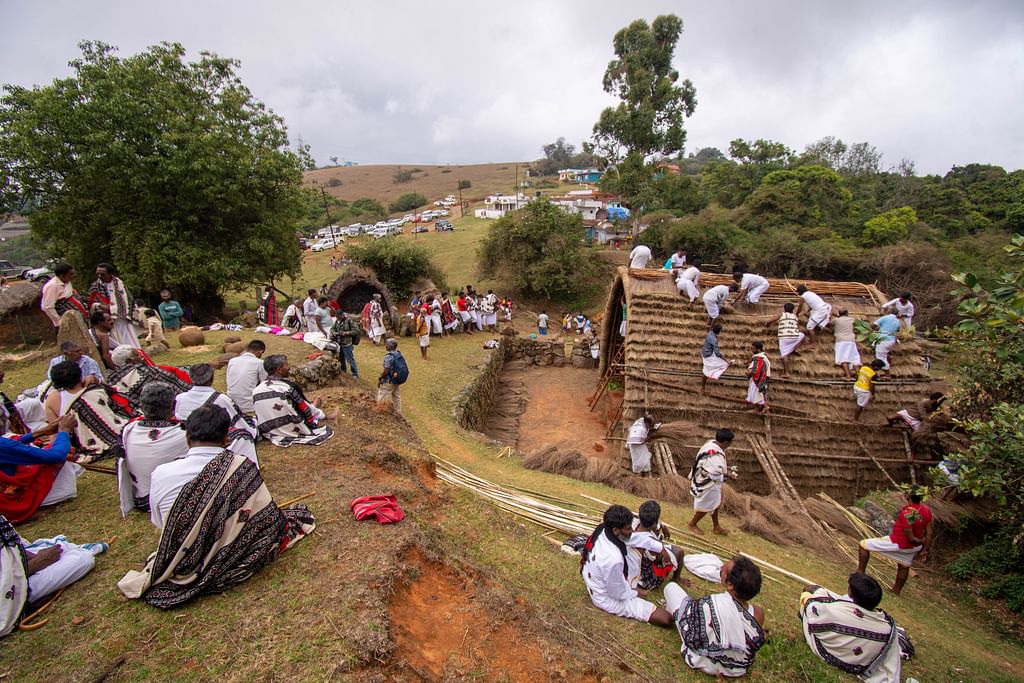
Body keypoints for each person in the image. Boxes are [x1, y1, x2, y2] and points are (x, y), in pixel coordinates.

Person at [119, 405, 315, 608]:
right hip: (230, 554)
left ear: (188, 437)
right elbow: (267, 518)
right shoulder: (241, 467)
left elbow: (160, 523)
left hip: (180, 557)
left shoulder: (161, 473)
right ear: (226, 438)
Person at [0, 515, 105, 636]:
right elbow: (5, 582)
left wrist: (26, 555)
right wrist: (37, 562)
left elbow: (11, 547)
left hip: (18, 570)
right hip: (11, 594)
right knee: (84, 559)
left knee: (60, 548)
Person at [800, 572, 915, 682]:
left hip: (833, 654)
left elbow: (812, 609)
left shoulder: (835, 612)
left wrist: (815, 592)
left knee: (807, 598)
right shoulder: (888, 628)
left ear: (850, 594)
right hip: (862, 665)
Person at [664, 557, 766, 677]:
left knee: (671, 588)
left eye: (724, 569)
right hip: (736, 670)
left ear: (730, 584)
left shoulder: (711, 604)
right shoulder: (758, 614)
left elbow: (691, 630)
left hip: (703, 662)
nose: (721, 568)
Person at [580, 504, 674, 626]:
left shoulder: (604, 529)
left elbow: (635, 538)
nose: (632, 531)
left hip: (595, 580)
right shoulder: (613, 559)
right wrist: (635, 593)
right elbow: (617, 593)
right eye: (629, 528)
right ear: (616, 530)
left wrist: (661, 548)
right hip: (605, 598)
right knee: (666, 619)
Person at [119, 382, 190, 517]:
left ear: (141, 406)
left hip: (142, 500)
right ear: (174, 406)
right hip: (170, 498)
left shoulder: (128, 430)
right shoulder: (184, 434)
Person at [44, 360, 133, 462]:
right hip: (121, 432)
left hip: (87, 446)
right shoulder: (96, 388)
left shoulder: (52, 400)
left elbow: (54, 431)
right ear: (80, 375)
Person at [0, 412, 80, 523]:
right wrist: (64, 431)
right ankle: (22, 510)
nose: (4, 420)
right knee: (63, 452)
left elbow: (12, 444)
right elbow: (55, 456)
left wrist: (43, 431)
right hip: (7, 506)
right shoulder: (3, 445)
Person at [174, 363, 257, 463]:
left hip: (187, 439)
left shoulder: (180, 398)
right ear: (212, 378)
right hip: (213, 438)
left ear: (191, 378)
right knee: (245, 433)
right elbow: (238, 422)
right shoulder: (222, 399)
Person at [858, 488, 933, 595]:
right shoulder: (926, 510)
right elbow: (929, 533)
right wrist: (924, 549)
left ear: (908, 497)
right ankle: (896, 591)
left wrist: (920, 541)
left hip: (899, 542)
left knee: (863, 545)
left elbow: (911, 538)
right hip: (914, 547)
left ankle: (860, 573)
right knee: (904, 566)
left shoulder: (909, 514)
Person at [253, 355, 335, 448]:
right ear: (279, 370)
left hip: (267, 430)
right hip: (289, 428)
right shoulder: (288, 387)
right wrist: (322, 415)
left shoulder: (256, 390)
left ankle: (314, 407)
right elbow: (304, 408)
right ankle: (320, 412)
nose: (289, 367)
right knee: (305, 407)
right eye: (286, 365)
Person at [106, 346, 192, 413]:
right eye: (137, 355)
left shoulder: (113, 381)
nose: (141, 356)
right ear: (129, 361)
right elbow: (176, 385)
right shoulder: (146, 371)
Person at [687, 429, 736, 535]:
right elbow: (714, 472)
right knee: (707, 505)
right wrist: (728, 474)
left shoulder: (710, 445)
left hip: (707, 478)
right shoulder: (715, 455)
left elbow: (710, 464)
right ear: (725, 442)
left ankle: (716, 527)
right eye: (731, 442)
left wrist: (725, 468)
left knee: (715, 503)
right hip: (708, 483)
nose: (731, 444)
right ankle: (692, 524)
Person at [627, 500, 683, 591]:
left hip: (629, 568)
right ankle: (676, 578)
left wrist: (663, 527)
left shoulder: (631, 524)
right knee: (679, 552)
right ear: (654, 523)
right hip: (643, 578)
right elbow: (659, 560)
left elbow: (656, 525)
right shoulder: (652, 544)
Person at [88, 263, 140, 348]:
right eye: (98, 274)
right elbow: (90, 303)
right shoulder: (95, 286)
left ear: (111, 274)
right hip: (105, 322)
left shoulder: (120, 285)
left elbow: (128, 302)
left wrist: (111, 308)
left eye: (102, 274)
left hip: (122, 320)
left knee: (129, 343)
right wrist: (99, 306)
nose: (99, 276)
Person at [40, 263, 88, 329]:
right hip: (68, 323)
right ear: (62, 276)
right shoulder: (52, 286)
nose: (74, 275)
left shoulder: (66, 281)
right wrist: (60, 322)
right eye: (71, 274)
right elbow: (48, 307)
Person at [226, 340, 267, 414]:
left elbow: (228, 380)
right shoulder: (260, 363)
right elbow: (264, 384)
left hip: (230, 402)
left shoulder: (232, 361)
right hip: (248, 405)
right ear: (260, 352)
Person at [764, 302, 805, 375]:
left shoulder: (782, 315)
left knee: (784, 355)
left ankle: (786, 373)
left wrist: (767, 325)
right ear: (793, 309)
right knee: (802, 335)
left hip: (784, 337)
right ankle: (796, 348)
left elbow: (770, 321)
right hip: (795, 336)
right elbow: (797, 326)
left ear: (784, 309)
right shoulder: (795, 316)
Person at [700, 324, 732, 392]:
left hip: (705, 353)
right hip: (708, 356)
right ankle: (703, 387)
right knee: (710, 368)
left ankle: (703, 387)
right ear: (719, 331)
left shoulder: (710, 333)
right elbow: (717, 353)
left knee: (706, 370)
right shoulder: (714, 340)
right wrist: (726, 361)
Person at [329, 310, 361, 379]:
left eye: (339, 317)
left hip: (347, 343)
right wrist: (334, 333)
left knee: (350, 359)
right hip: (339, 343)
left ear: (342, 315)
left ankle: (355, 374)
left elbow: (357, 331)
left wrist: (346, 333)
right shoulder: (337, 321)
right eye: (337, 317)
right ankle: (343, 371)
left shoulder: (349, 321)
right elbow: (332, 329)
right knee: (341, 359)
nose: (338, 318)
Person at [377, 338, 405, 415]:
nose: (385, 346)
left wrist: (381, 378)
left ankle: (379, 412)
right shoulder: (398, 354)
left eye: (386, 344)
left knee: (382, 394)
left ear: (390, 346)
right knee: (396, 396)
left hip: (389, 380)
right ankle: (398, 413)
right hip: (396, 379)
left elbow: (386, 371)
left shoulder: (388, 356)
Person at [832, 308, 861, 379]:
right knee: (854, 358)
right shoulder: (852, 320)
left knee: (843, 359)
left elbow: (828, 324)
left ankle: (848, 376)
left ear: (839, 314)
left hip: (841, 341)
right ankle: (859, 375)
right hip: (851, 340)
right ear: (847, 314)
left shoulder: (836, 320)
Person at [746, 341, 770, 414]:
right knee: (760, 393)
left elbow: (756, 369)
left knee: (756, 393)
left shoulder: (759, 358)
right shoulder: (763, 357)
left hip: (758, 379)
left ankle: (760, 409)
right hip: (763, 377)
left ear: (758, 349)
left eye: (753, 349)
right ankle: (765, 408)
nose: (752, 350)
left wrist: (750, 373)